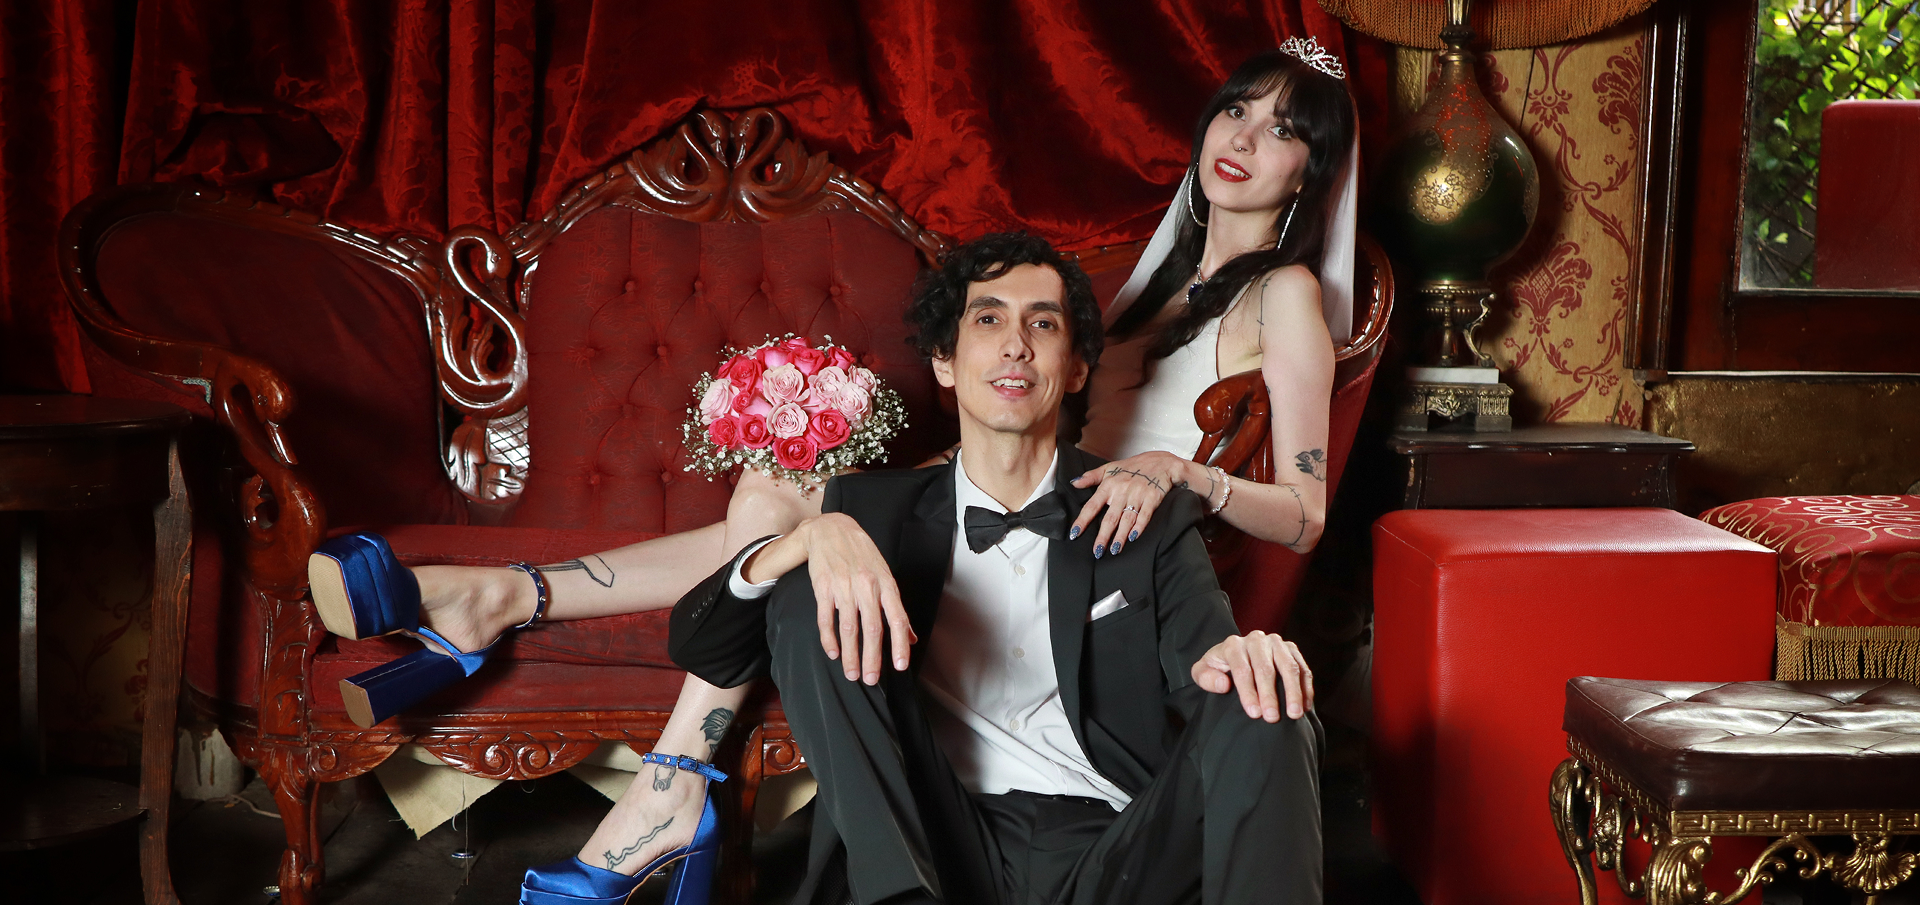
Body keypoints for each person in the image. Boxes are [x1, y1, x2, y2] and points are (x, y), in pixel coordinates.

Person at [310, 37, 1356, 904]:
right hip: (1011, 483)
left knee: (786, 516)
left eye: (1282, 132)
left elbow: (1305, 511)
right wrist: (837, 521)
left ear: (1310, 173)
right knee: (788, 515)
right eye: (1236, 112)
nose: (1243, 139)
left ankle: (627, 734)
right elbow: (1027, 411)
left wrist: (1185, 477)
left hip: (1106, 530)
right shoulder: (1155, 286)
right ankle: (530, 623)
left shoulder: (1286, 294)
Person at [669, 230, 1320, 905]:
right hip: (932, 843)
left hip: (1112, 851)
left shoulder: (1143, 515)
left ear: (1076, 368)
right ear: (945, 361)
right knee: (810, 587)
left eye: (1043, 323)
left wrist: (1251, 659)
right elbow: (704, 646)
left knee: (1268, 701)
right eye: (988, 319)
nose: (1016, 344)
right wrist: (807, 539)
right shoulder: (869, 511)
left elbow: (1211, 676)